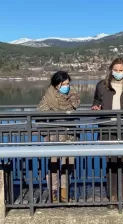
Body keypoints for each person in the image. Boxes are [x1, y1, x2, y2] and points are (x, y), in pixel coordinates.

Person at [91, 57, 123, 209]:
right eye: (115, 70)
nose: (118, 73)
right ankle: (112, 196)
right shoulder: (102, 86)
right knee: (111, 162)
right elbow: (96, 102)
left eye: (121, 70)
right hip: (108, 129)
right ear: (110, 70)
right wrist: (96, 107)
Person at [37, 70, 80, 203]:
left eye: (68, 83)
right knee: (54, 166)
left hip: (70, 135)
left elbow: (75, 106)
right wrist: (46, 132)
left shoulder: (73, 96)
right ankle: (54, 193)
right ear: (57, 85)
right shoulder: (48, 98)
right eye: (64, 84)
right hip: (53, 136)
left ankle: (64, 193)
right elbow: (39, 115)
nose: (67, 86)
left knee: (68, 165)